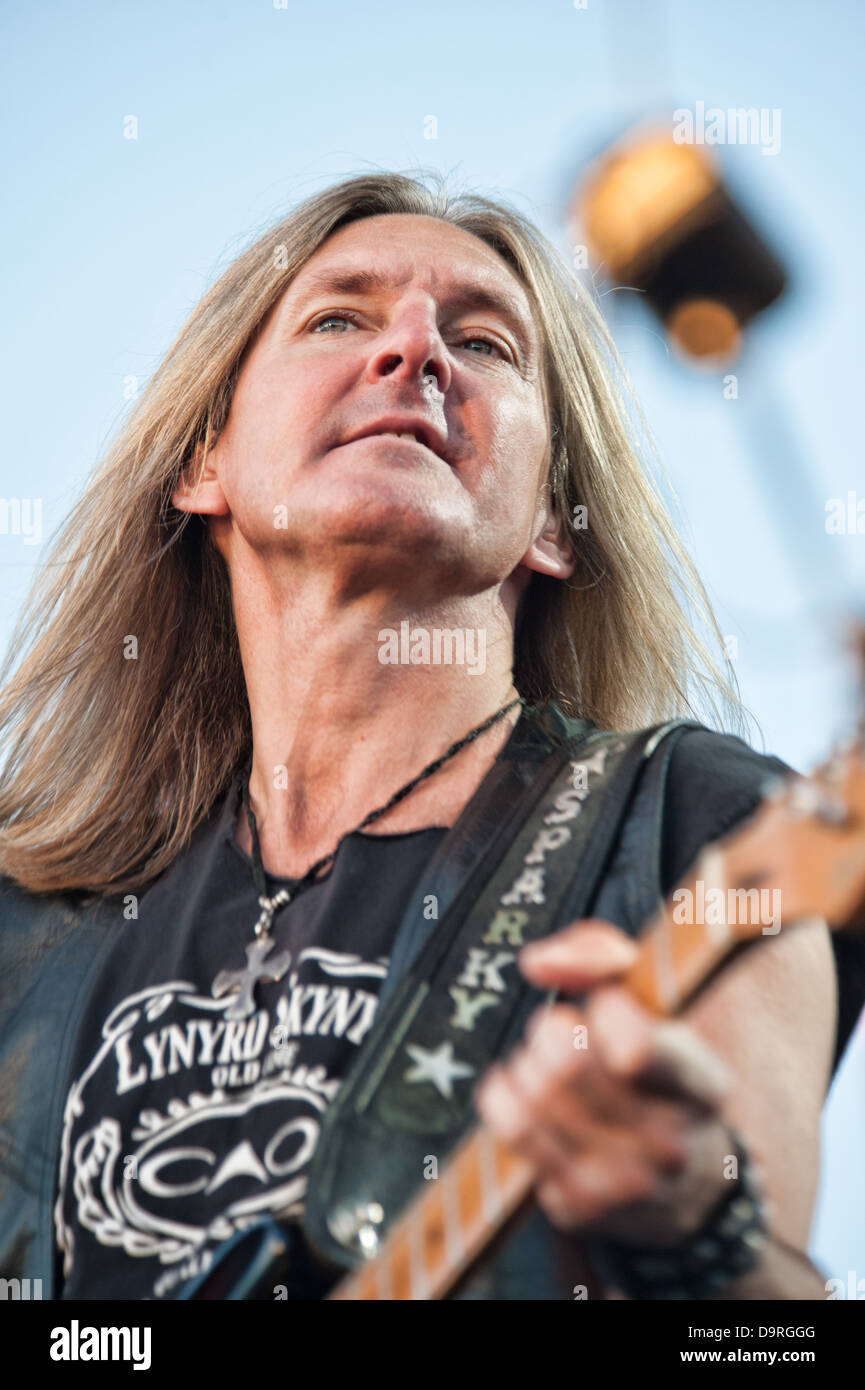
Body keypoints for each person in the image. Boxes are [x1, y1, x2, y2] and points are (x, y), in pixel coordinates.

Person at [0, 171, 854, 1301]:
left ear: (551, 520)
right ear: (204, 463)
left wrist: (694, 1222)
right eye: (339, 318)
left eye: (487, 343)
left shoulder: (700, 829)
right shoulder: (28, 925)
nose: (415, 353)